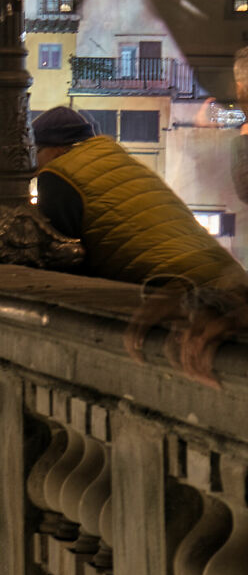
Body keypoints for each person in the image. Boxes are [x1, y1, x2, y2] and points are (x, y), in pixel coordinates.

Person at [30, 105, 248, 380]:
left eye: (37, 153)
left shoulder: (58, 174)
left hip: (179, 291)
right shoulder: (117, 159)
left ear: (58, 150)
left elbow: (59, 258)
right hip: (227, 280)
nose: (34, 165)